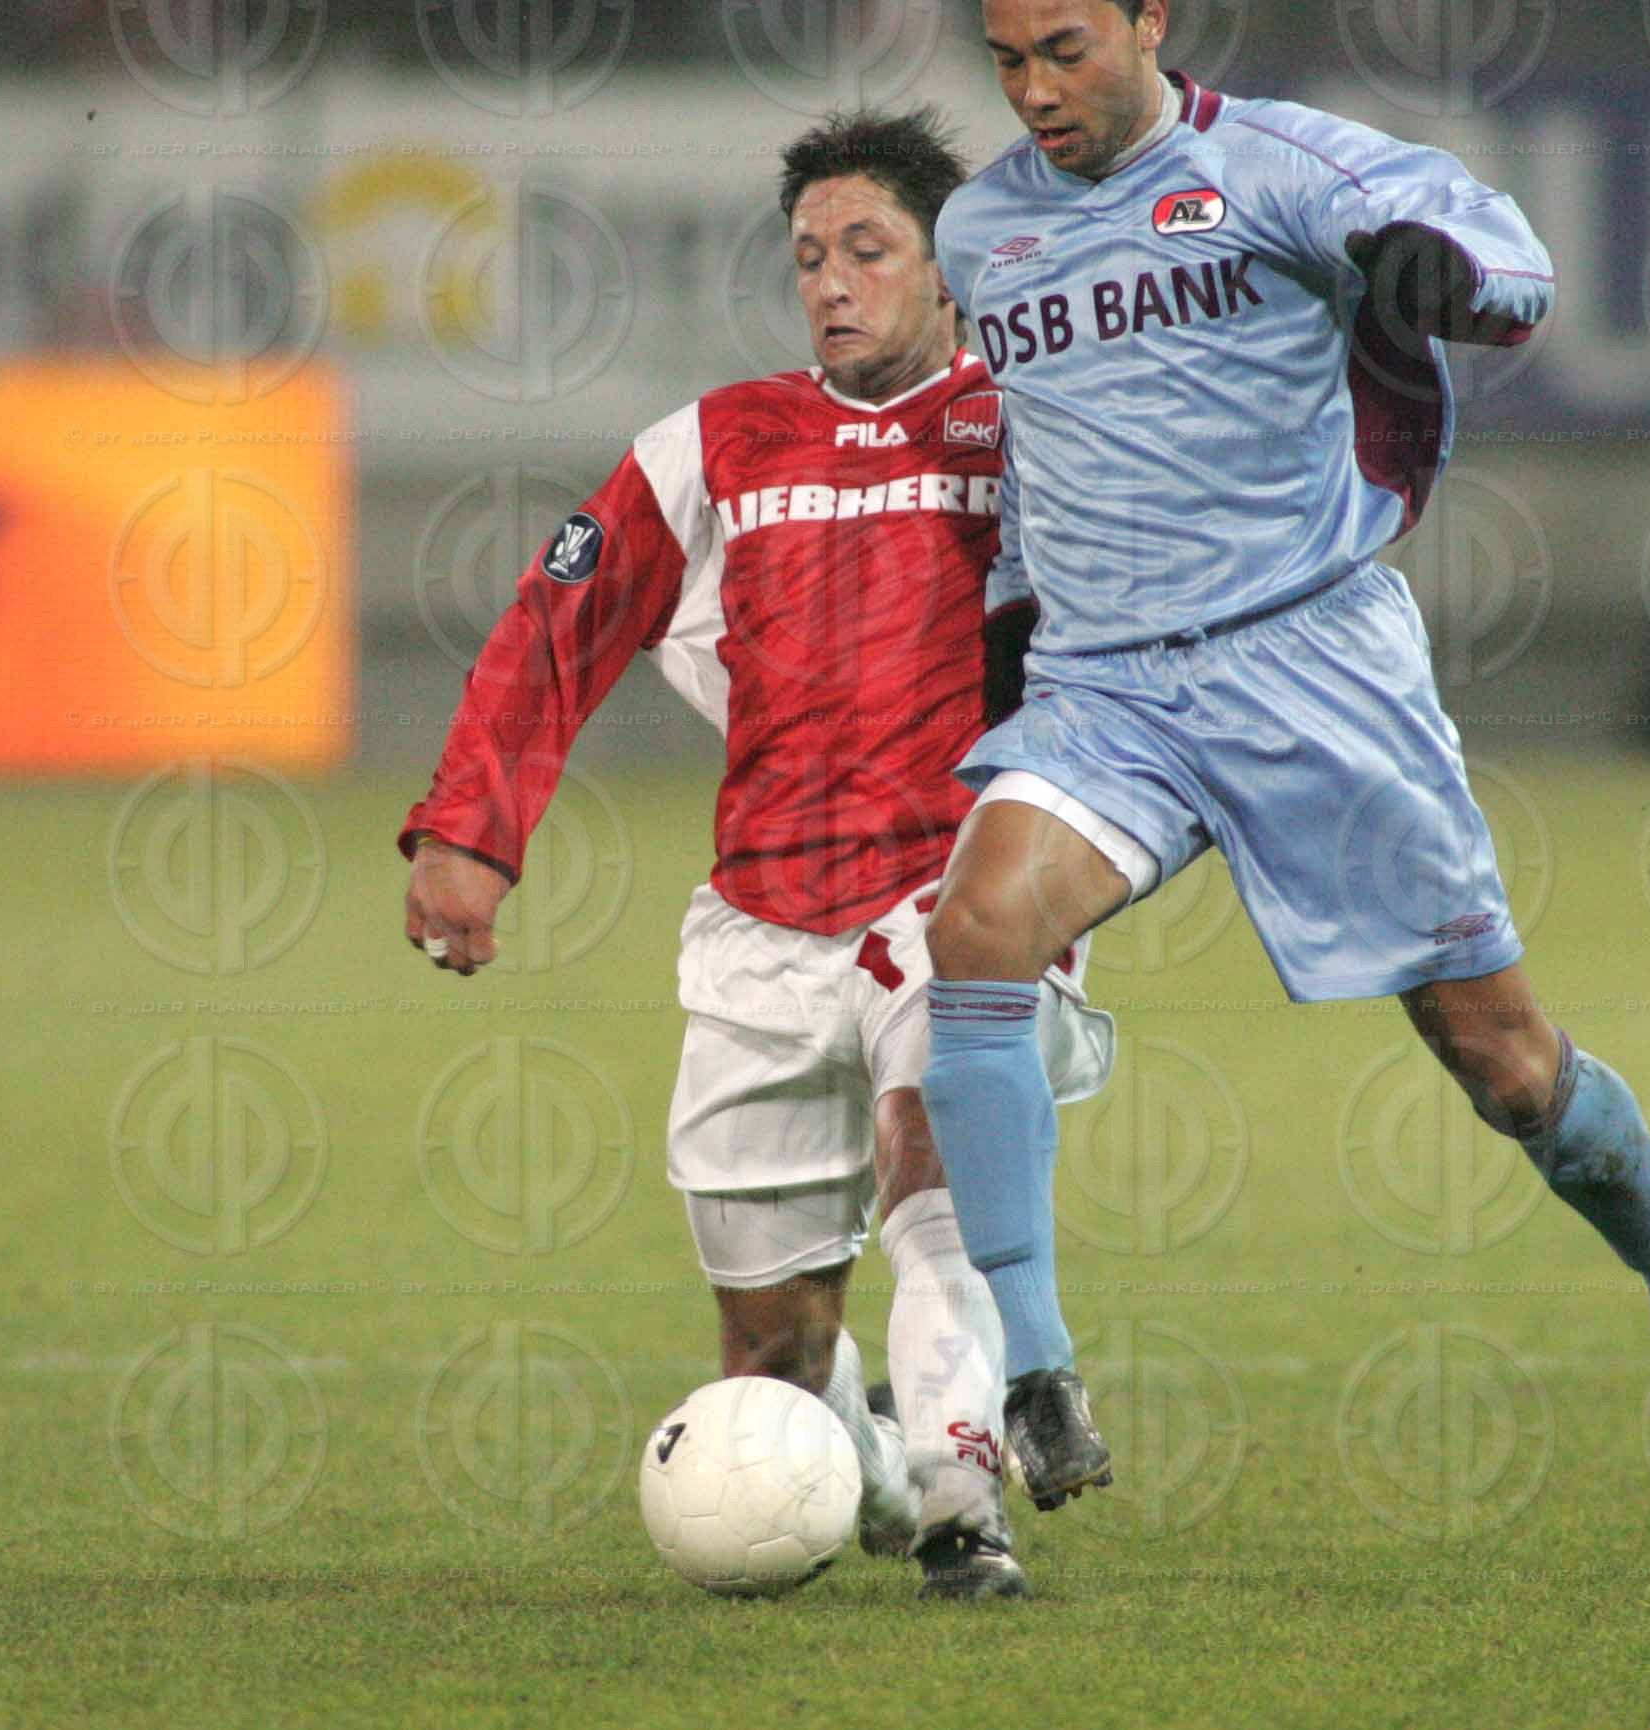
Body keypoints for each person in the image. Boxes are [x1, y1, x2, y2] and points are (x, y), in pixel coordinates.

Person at [917, 0, 1650, 1546]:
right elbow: (1035, 462)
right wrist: (1012, 669)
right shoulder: (981, 230)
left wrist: (1436, 274)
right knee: (977, 929)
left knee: (1505, 1066)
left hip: (1309, 667)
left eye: (1065, 50)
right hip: (1109, 692)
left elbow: (1498, 254)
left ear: (1150, 21)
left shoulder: (1278, 167)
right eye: (1007, 58)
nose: (1032, 91)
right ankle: (1033, 1369)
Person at [397, 107, 1114, 1600]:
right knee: (773, 1349)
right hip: (764, 920)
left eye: (868, 250)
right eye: (808, 257)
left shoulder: (1031, 427)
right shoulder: (717, 444)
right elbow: (558, 626)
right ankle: (869, 1467)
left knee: (935, 1169)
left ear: (948, 268)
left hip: (964, 889)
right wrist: (471, 834)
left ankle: (959, 1508)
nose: (832, 282)